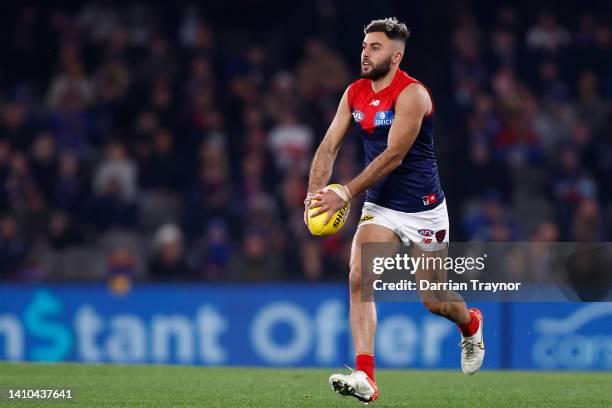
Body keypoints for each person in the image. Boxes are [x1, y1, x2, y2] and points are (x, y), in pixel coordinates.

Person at [304, 17, 484, 403]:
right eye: (365, 45)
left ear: (396, 55)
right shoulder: (354, 93)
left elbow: (394, 156)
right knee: (358, 277)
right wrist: (315, 193)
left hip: (424, 210)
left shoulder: (413, 94)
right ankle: (366, 377)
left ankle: (470, 324)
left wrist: (346, 193)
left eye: (375, 47)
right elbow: (329, 145)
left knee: (434, 300)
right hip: (380, 205)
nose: (365, 53)